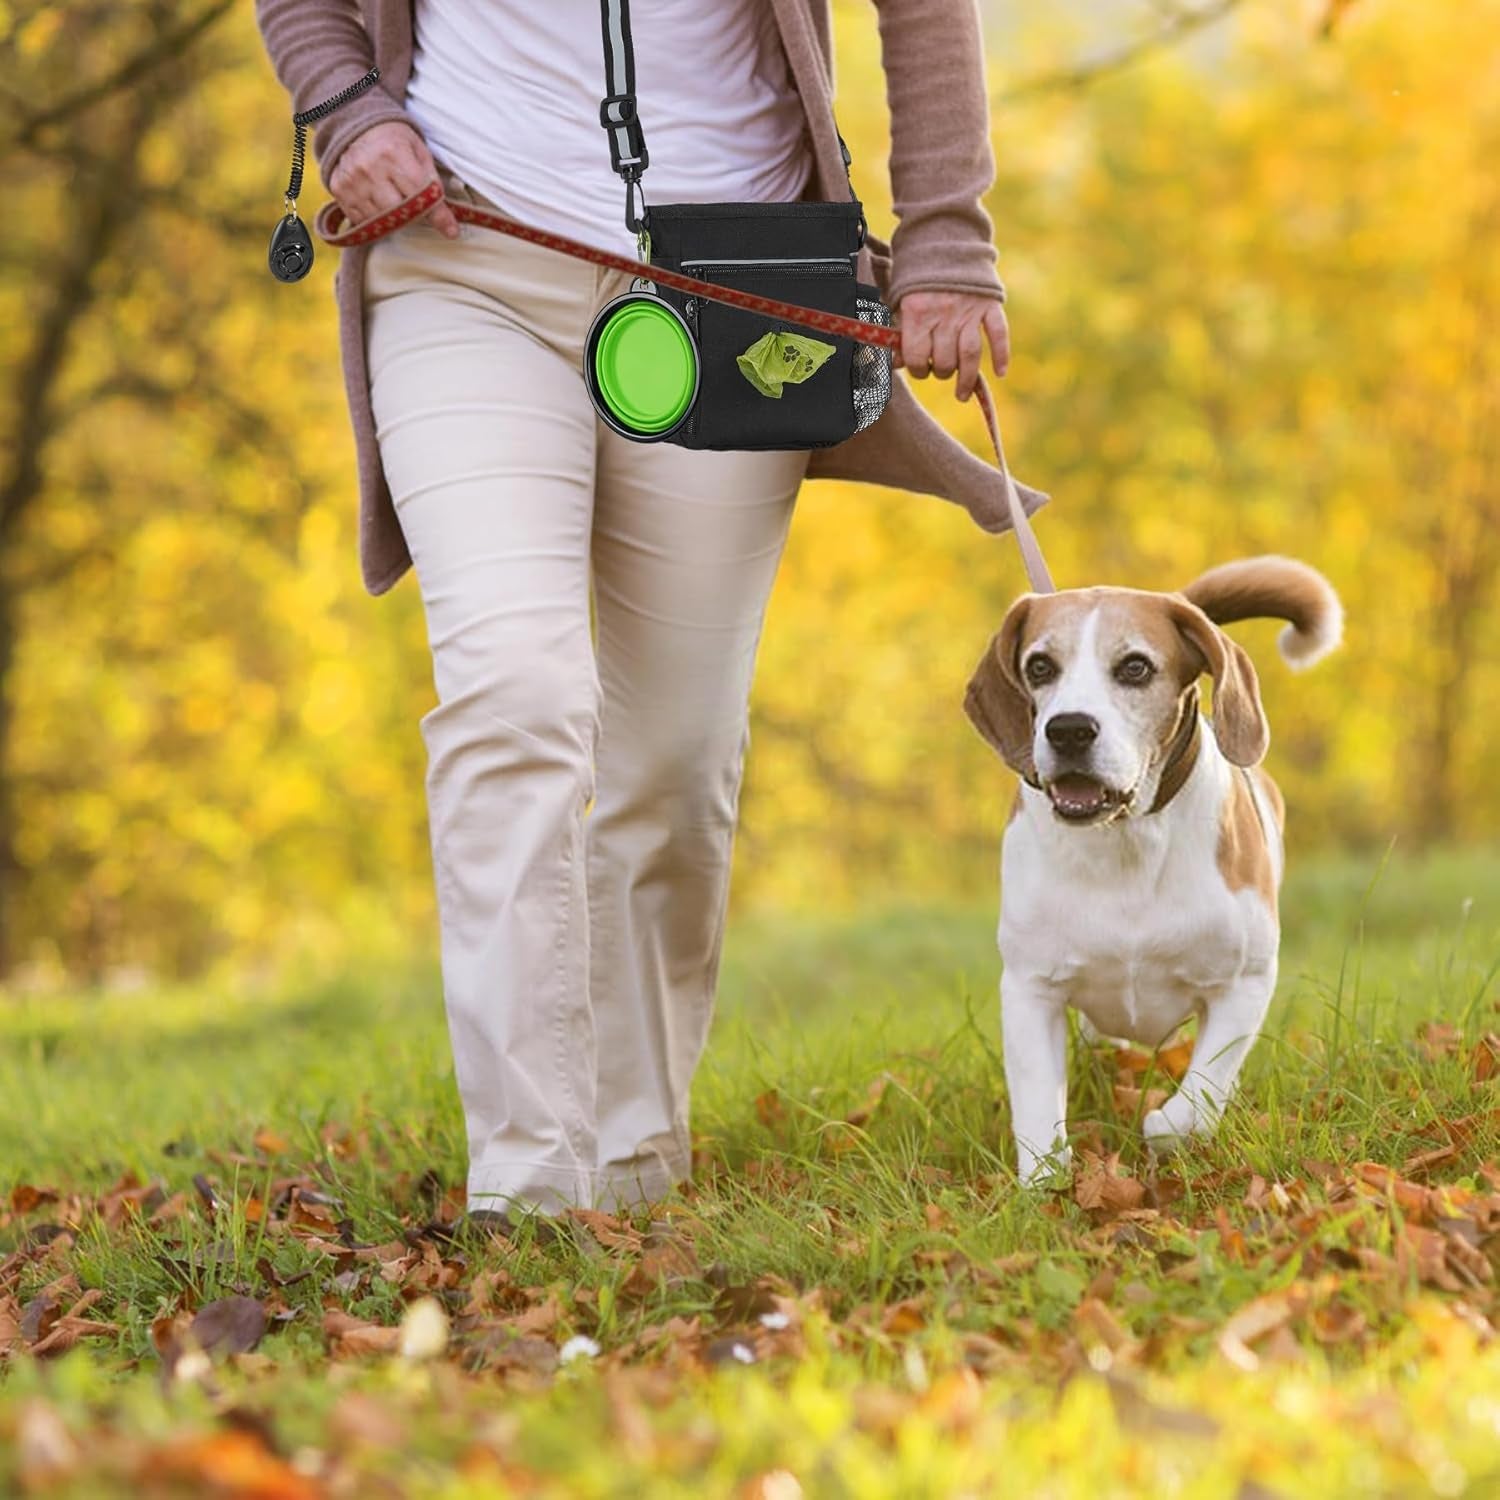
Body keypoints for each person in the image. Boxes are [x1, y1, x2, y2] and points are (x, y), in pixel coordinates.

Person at [254, 0, 1035, 1228]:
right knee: (513, 694)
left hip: (734, 286)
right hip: (467, 260)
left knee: (675, 757)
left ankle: (630, 1163)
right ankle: (527, 1181)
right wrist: (348, 112)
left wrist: (945, 241)